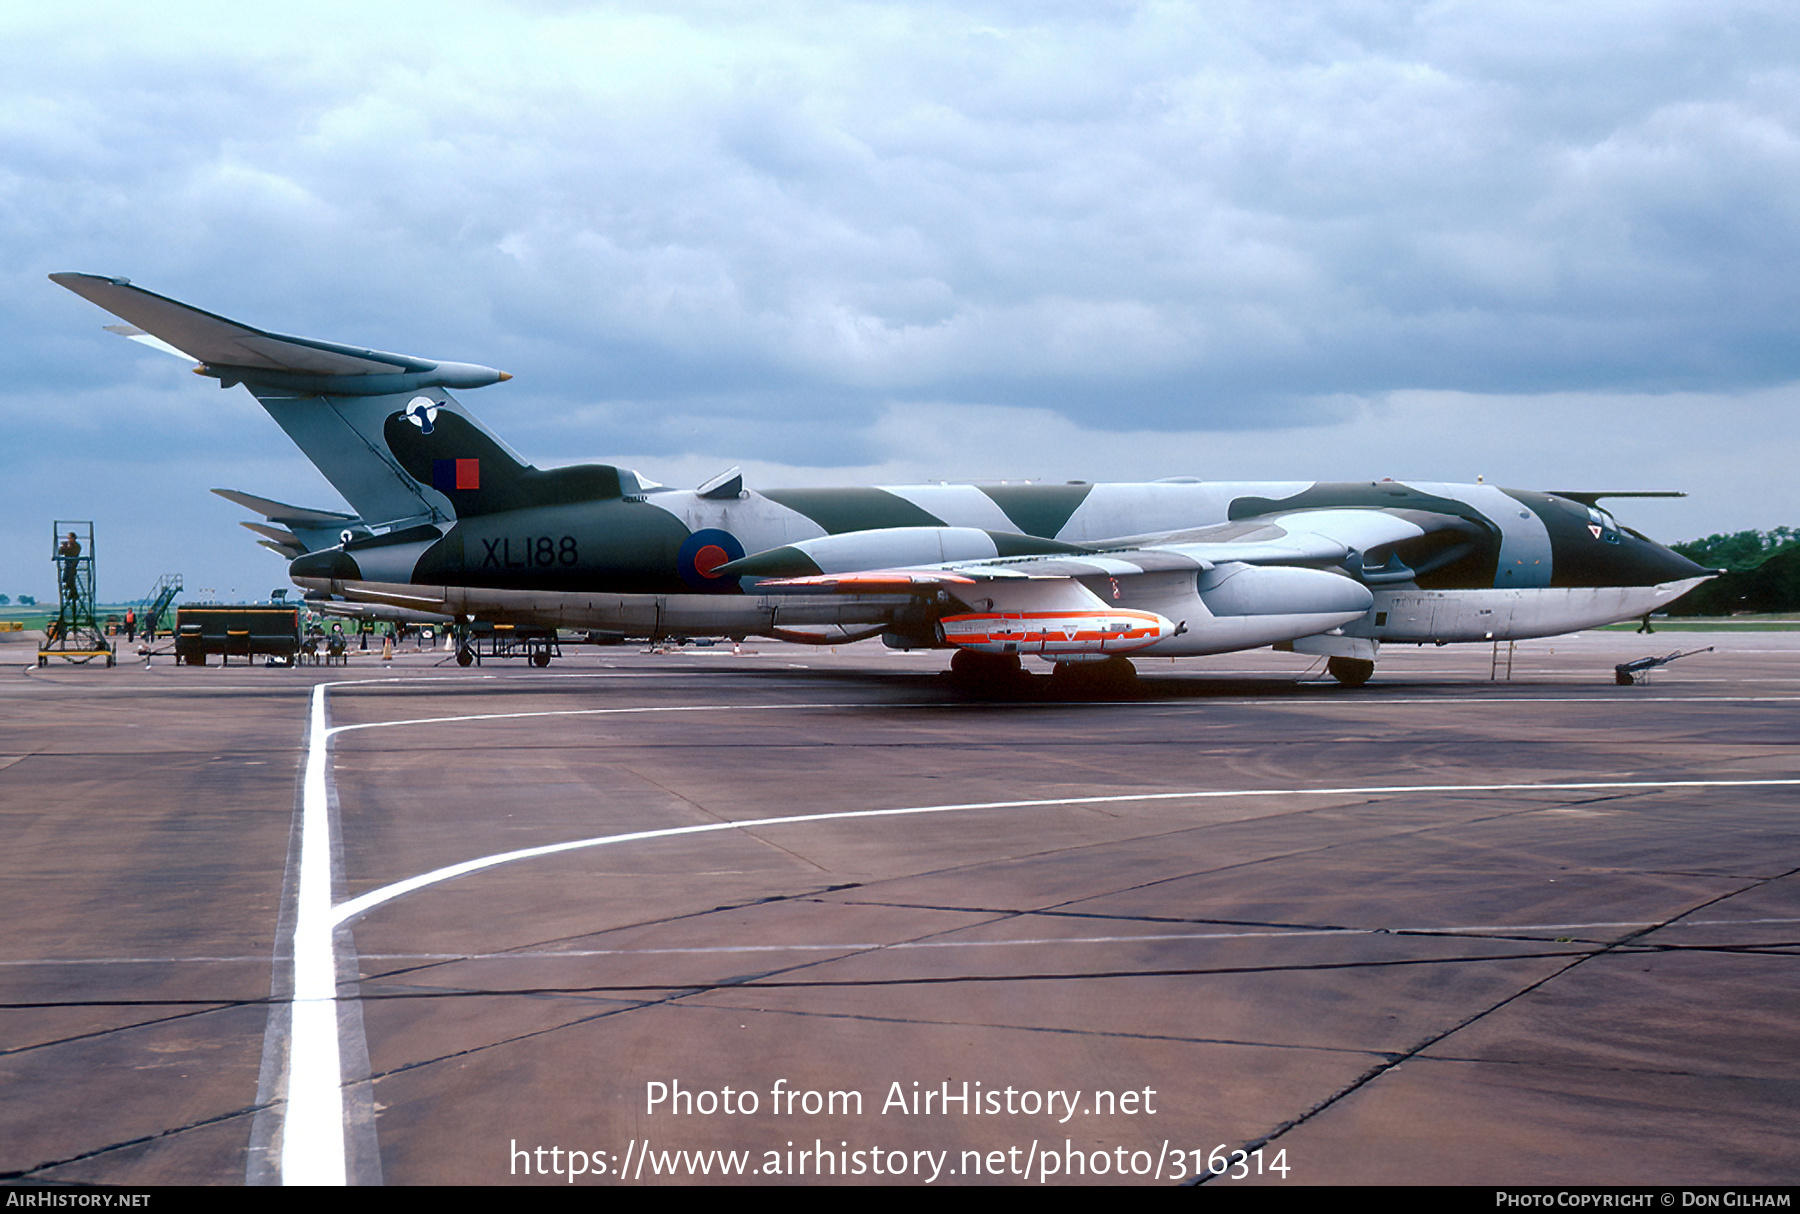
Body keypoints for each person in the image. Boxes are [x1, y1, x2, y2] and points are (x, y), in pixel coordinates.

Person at [58, 532, 81, 604]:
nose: (69, 540)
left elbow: (74, 553)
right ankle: (73, 593)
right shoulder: (67, 546)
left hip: (73, 564)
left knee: (70, 578)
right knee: (68, 579)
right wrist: (63, 547)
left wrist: (67, 548)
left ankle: (72, 593)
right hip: (67, 564)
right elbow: (60, 553)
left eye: (70, 538)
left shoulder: (77, 546)